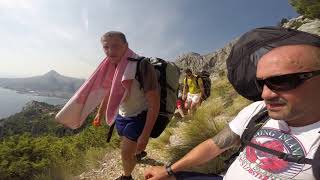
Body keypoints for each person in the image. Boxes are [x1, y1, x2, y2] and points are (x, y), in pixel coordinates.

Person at [144, 44, 320, 179]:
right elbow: (215, 145)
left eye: (283, 80)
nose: (265, 94)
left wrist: (203, 95)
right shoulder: (258, 111)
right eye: (261, 83)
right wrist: (169, 170)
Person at [94, 31, 160, 180]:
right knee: (127, 145)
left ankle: (127, 177)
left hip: (138, 116)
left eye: (115, 46)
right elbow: (109, 91)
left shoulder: (141, 64)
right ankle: (138, 153)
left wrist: (145, 135)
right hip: (121, 115)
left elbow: (154, 103)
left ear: (126, 45)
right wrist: (100, 112)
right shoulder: (112, 66)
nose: (110, 51)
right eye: (106, 47)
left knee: (125, 153)